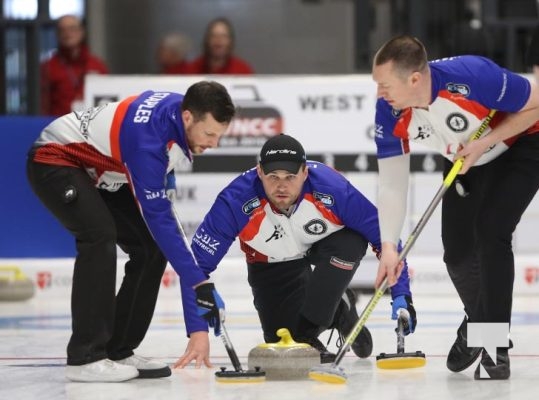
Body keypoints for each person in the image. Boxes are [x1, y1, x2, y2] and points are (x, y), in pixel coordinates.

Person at [26, 81, 236, 382]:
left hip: (102, 170)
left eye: (220, 135)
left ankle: (118, 349)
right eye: (210, 134)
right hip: (55, 158)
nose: (214, 144)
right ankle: (85, 356)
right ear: (188, 118)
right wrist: (199, 283)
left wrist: (197, 286)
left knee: (150, 249)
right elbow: (161, 220)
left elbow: (164, 223)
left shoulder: (180, 114)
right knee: (99, 236)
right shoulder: (148, 145)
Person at [372, 35, 539, 380]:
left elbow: (537, 103)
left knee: (491, 232)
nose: (379, 93)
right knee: (458, 253)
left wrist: (488, 141)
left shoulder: (473, 76)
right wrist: (389, 246)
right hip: (466, 157)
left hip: (523, 142)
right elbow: (392, 182)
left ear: (414, 79)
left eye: (385, 85)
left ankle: (493, 346)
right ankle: (479, 320)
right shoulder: (388, 112)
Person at [173, 134, 416, 369]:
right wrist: (198, 332)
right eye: (273, 177)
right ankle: (340, 309)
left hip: (326, 245)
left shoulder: (331, 189)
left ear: (304, 172)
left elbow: (385, 236)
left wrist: (401, 294)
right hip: (272, 259)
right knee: (280, 340)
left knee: (350, 243)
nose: (281, 186)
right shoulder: (235, 201)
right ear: (259, 172)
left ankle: (309, 335)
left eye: (290, 176)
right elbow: (195, 266)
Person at [40, 14, 108, 116]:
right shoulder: (48, 67)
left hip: (91, 125)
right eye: (62, 30)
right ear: (57, 35)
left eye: (72, 29)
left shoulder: (97, 65)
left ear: (81, 32)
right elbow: (42, 105)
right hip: (59, 125)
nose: (67, 34)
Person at [184, 17, 254, 75]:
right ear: (207, 40)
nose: (219, 41)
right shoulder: (192, 69)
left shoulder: (243, 70)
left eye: (223, 36)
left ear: (231, 41)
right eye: (214, 36)